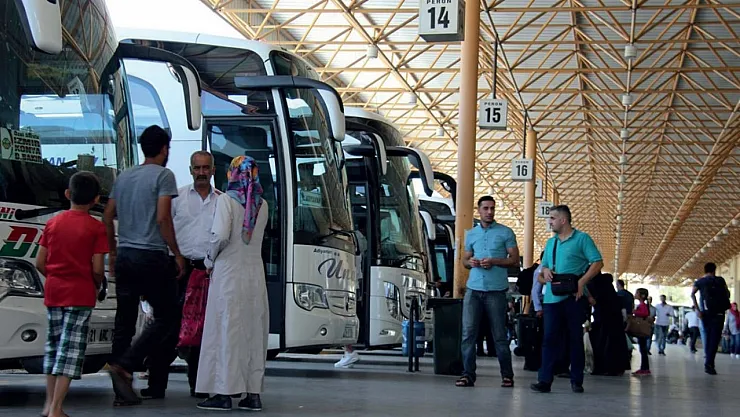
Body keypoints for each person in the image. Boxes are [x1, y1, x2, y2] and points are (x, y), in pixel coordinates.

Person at [103, 125, 184, 405]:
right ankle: (126, 364)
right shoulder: (163, 175)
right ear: (164, 149)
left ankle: (121, 392)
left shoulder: (124, 177)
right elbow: (163, 217)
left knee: (124, 323)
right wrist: (177, 253)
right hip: (151, 256)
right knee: (168, 315)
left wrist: (113, 252)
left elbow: (107, 216)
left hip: (125, 255)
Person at [196, 156, 270, 411]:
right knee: (253, 331)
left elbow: (219, 236)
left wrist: (208, 260)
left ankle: (223, 393)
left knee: (226, 330)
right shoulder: (262, 204)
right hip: (255, 274)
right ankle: (253, 394)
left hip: (229, 272)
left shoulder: (227, 200)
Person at [36, 172, 109, 417]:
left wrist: (56, 276)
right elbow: (97, 268)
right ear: (96, 199)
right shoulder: (96, 228)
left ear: (68, 194)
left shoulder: (53, 223)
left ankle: (48, 404)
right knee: (71, 350)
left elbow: (40, 262)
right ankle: (57, 408)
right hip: (80, 293)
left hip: (54, 291)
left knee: (53, 346)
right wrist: (96, 284)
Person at [530, 205, 603, 394]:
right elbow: (542, 272)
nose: (549, 222)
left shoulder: (582, 239)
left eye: (552, 218)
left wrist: (582, 282)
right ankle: (544, 380)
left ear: (563, 220)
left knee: (574, 339)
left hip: (573, 298)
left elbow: (597, 262)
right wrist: (545, 270)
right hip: (551, 298)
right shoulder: (551, 243)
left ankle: (576, 380)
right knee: (549, 339)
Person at [167, 150, 219, 398]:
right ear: (190, 170)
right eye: (197, 168)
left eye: (205, 168)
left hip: (206, 272)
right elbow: (164, 228)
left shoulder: (222, 202)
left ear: (213, 170)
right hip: (178, 269)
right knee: (169, 325)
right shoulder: (177, 198)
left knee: (201, 330)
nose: (201, 173)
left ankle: (197, 384)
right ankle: (156, 383)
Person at [455, 196, 519, 388]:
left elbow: (514, 260)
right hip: (473, 289)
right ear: (479, 210)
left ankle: (507, 375)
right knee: (468, 333)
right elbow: (465, 260)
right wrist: (471, 262)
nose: (489, 212)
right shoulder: (471, 234)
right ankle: (467, 375)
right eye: (486, 208)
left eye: (492, 208)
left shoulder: (505, 232)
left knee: (499, 335)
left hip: (496, 290)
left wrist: (494, 261)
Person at [586, 273, 629, 376]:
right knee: (615, 342)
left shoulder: (595, 285)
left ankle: (603, 367)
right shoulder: (611, 293)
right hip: (614, 320)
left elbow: (593, 301)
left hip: (602, 320)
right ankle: (616, 368)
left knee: (602, 342)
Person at [691, 262, 731, 375]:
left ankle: (709, 363)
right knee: (715, 339)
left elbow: (692, 294)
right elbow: (727, 293)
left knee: (708, 337)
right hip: (719, 313)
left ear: (704, 270)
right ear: (714, 270)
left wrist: (698, 310)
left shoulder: (700, 281)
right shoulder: (720, 280)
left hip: (706, 314)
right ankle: (709, 364)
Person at [335, 230, 366, 368]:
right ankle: (347, 352)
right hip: (354, 283)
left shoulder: (346, 236)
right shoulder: (358, 238)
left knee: (343, 315)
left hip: (347, 282)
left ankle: (349, 351)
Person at [631, 288, 653, 377]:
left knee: (643, 349)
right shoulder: (642, 304)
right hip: (642, 328)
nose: (635, 294)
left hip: (642, 329)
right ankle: (644, 368)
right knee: (642, 349)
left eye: (637, 293)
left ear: (642, 295)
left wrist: (634, 312)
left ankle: (645, 368)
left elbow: (644, 313)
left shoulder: (642, 305)